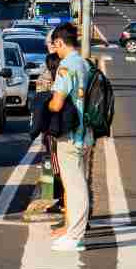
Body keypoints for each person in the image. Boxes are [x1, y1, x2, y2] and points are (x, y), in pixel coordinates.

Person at [45, 23, 94, 252]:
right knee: (78, 183)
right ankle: (72, 231)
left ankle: (75, 236)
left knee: (75, 187)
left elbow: (57, 103)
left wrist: (45, 106)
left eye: (54, 45)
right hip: (85, 133)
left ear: (60, 42)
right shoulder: (84, 63)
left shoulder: (66, 66)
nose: (54, 49)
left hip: (70, 135)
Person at [23, 52, 64, 222]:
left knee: (50, 162)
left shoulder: (43, 79)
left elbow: (39, 105)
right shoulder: (64, 77)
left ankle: (52, 197)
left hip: (49, 129)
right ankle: (61, 198)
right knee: (60, 165)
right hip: (64, 128)